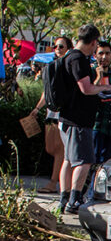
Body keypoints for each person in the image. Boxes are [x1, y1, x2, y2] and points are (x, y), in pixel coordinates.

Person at [58, 26, 111, 213]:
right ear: (93, 42)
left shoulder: (69, 57)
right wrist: (105, 88)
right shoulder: (78, 59)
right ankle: (74, 200)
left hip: (69, 117)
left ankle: (64, 199)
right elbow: (86, 89)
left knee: (69, 160)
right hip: (79, 120)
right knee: (84, 161)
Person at [28, 36, 72, 194]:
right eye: (55, 47)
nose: (57, 49)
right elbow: (46, 92)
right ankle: (63, 180)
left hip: (62, 113)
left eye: (61, 46)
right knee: (50, 148)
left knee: (60, 149)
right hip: (50, 112)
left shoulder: (68, 67)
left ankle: (54, 182)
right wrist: (37, 108)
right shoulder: (52, 67)